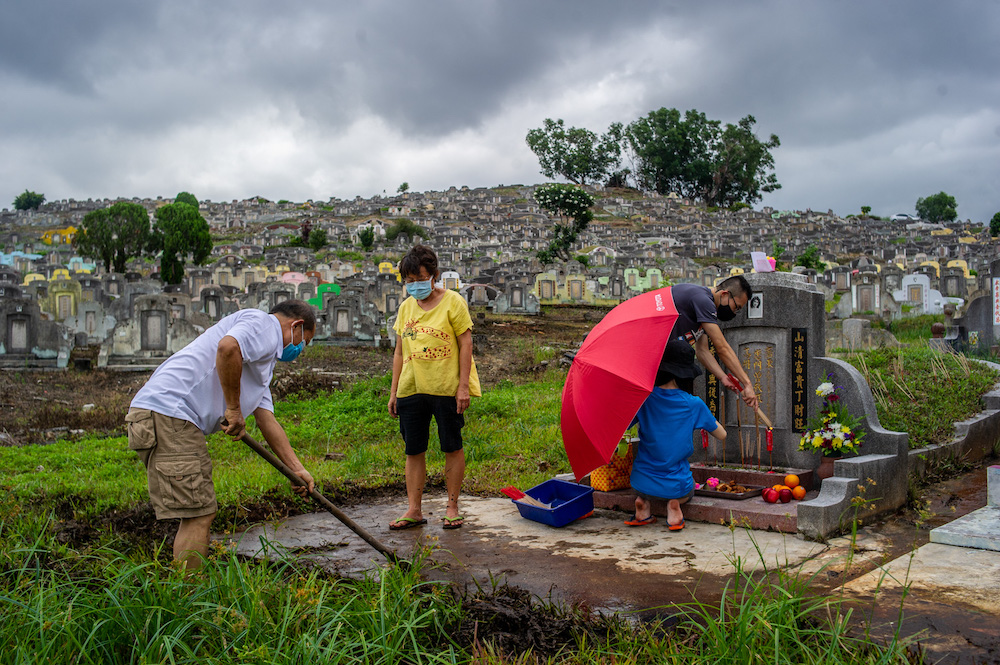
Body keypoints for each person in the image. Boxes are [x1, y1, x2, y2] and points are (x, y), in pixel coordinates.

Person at [126, 300, 317, 570]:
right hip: (170, 414)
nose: (299, 350)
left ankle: (187, 592)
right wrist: (233, 408)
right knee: (198, 513)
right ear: (296, 326)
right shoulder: (264, 325)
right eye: (303, 342)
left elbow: (266, 419)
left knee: (198, 511)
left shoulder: (260, 362)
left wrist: (297, 470)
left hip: (169, 416)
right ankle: (188, 599)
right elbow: (228, 348)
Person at [387, 244, 481, 531]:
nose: (414, 286)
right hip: (412, 387)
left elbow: (466, 343)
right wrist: (394, 391)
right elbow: (400, 352)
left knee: (451, 445)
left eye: (420, 279)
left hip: (446, 387)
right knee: (413, 449)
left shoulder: (453, 302)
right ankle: (414, 509)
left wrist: (463, 387)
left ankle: (452, 506)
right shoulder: (406, 308)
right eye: (409, 281)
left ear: (435, 275)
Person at [625, 340, 726, 529]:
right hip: (675, 484)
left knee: (643, 490)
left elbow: (624, 425)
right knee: (688, 490)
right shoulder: (693, 403)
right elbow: (722, 435)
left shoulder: (644, 398)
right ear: (687, 374)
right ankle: (674, 506)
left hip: (640, 481)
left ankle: (642, 505)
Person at [669, 275, 759, 409]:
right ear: (724, 294)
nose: (734, 312)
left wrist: (722, 377)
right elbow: (722, 347)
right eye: (737, 307)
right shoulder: (703, 300)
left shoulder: (705, 307)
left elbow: (702, 351)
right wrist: (747, 383)